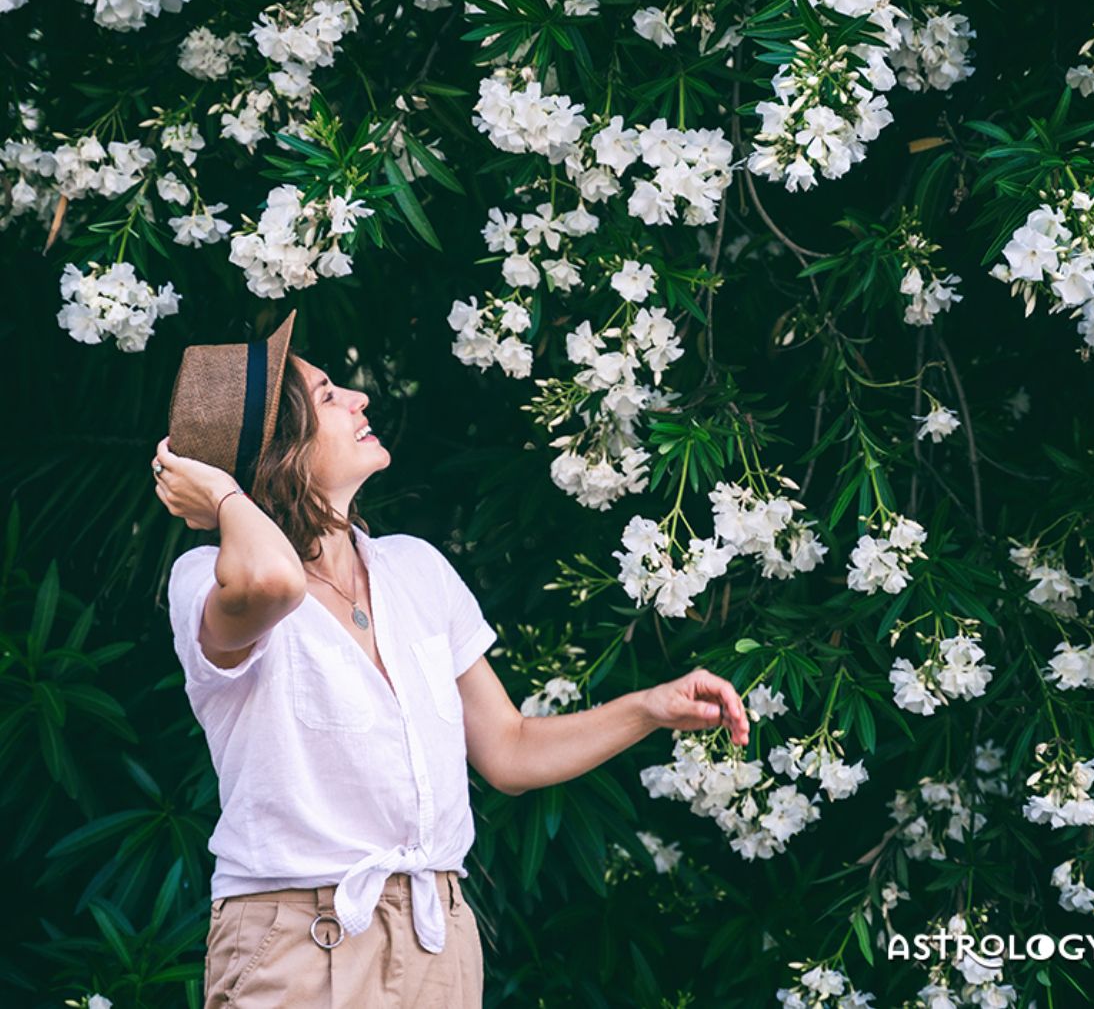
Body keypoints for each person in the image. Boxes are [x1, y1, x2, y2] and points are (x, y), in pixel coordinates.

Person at [153, 312, 750, 1008]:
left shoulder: (416, 569)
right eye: (328, 396)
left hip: (437, 936)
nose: (359, 398)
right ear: (279, 450)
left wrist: (649, 708)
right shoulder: (206, 582)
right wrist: (225, 494)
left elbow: (511, 750)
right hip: (299, 940)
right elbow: (274, 582)